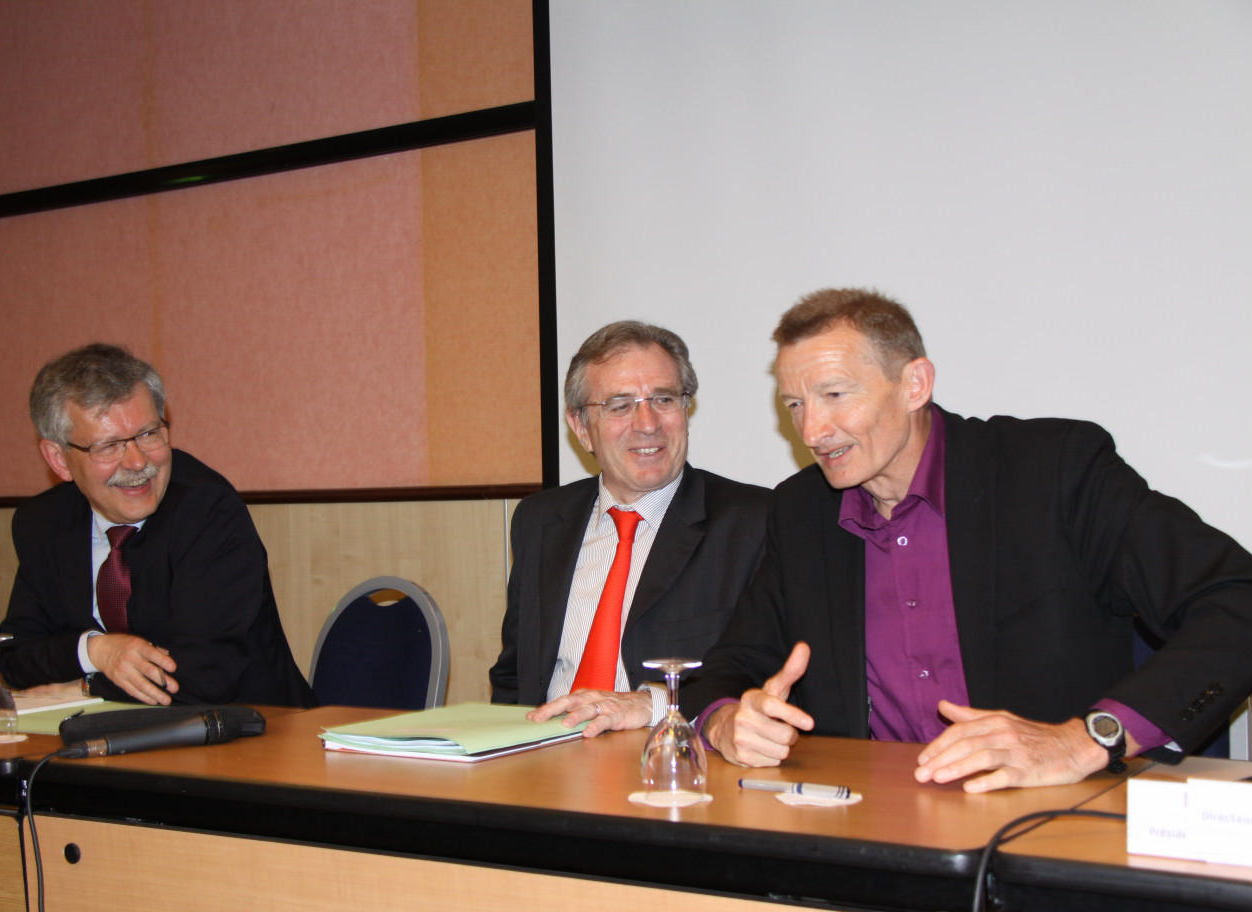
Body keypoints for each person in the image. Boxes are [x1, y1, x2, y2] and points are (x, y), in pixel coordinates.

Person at [677, 288, 1252, 792]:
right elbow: (730, 666)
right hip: (874, 828)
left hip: (1050, 822)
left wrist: (1087, 739)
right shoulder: (802, 511)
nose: (812, 432)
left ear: (915, 384)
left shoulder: (1054, 472)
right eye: (795, 405)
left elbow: (1236, 601)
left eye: (834, 395)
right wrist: (728, 719)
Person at [0, 343, 316, 708]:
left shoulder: (207, 512)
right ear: (59, 459)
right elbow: (14, 656)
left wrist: (84, 690)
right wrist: (97, 651)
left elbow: (203, 678)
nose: (136, 462)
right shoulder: (43, 524)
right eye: (109, 446)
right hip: (106, 747)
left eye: (149, 434)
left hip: (254, 738)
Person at [489, 321, 770, 735]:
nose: (648, 423)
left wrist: (652, 704)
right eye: (620, 405)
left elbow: (766, 676)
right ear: (581, 427)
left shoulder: (753, 522)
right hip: (543, 764)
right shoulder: (539, 521)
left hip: (669, 765)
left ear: (686, 408)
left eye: (663, 398)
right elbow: (514, 678)